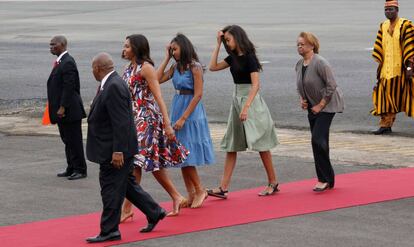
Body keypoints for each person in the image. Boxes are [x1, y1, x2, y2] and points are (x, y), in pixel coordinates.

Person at [86, 53, 166, 243]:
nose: (92, 72)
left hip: (115, 151)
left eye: (92, 69)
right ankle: (155, 212)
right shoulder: (112, 82)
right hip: (117, 148)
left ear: (98, 68)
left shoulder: (113, 86)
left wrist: (118, 150)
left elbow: (121, 122)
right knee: (127, 185)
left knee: (110, 189)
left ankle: (109, 231)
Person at [120, 34, 189, 220]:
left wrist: (167, 124)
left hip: (148, 120)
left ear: (136, 48)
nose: (124, 49)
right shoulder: (128, 68)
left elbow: (158, 97)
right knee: (146, 163)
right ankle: (176, 196)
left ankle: (127, 209)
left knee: (138, 162)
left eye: (127, 46)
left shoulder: (146, 68)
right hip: (133, 119)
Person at [207, 25, 279, 198]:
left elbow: (256, 85)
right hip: (237, 100)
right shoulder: (232, 58)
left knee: (261, 143)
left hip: (251, 102)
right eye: (225, 40)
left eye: (228, 40)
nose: (227, 43)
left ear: (238, 38)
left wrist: (246, 107)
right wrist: (217, 44)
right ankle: (223, 187)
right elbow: (212, 67)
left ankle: (273, 182)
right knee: (232, 144)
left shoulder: (250, 58)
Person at [157, 33, 215, 208]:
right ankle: (191, 193)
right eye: (171, 49)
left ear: (184, 47)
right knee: (179, 153)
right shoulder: (176, 67)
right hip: (178, 106)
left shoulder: (194, 67)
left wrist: (183, 117)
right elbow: (157, 79)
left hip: (191, 111)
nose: (173, 52)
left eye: (175, 49)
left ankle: (200, 189)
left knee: (186, 152)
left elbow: (198, 94)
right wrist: (166, 58)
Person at [295, 32, 344, 192]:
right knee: (321, 142)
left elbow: (332, 85)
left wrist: (321, 104)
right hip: (312, 106)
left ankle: (324, 178)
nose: (299, 47)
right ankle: (327, 179)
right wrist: (302, 100)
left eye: (302, 44)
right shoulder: (299, 64)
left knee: (317, 139)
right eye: (298, 44)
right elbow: (301, 85)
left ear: (312, 45)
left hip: (327, 105)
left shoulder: (321, 63)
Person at [47, 35, 87, 180]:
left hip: (69, 111)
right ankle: (71, 167)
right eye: (50, 45)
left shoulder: (67, 62)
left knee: (74, 140)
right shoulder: (61, 61)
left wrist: (63, 106)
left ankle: (80, 169)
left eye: (54, 45)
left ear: (63, 45)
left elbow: (69, 86)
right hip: (62, 111)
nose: (51, 47)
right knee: (67, 140)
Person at [371, 0, 414, 135]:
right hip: (386, 70)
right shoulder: (383, 26)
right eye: (386, 10)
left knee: (410, 96)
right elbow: (379, 47)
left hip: (402, 70)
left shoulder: (406, 25)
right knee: (385, 98)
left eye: (391, 9)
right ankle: (386, 125)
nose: (388, 12)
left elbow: (410, 48)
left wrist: (409, 68)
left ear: (397, 10)